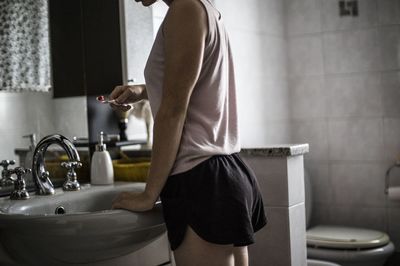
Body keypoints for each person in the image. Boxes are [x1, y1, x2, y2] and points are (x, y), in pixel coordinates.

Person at [110, 0, 267, 265]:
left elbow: (173, 111)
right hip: (222, 174)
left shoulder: (184, 10)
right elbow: (192, 80)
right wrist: (144, 90)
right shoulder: (202, 8)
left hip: (200, 180)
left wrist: (149, 195)